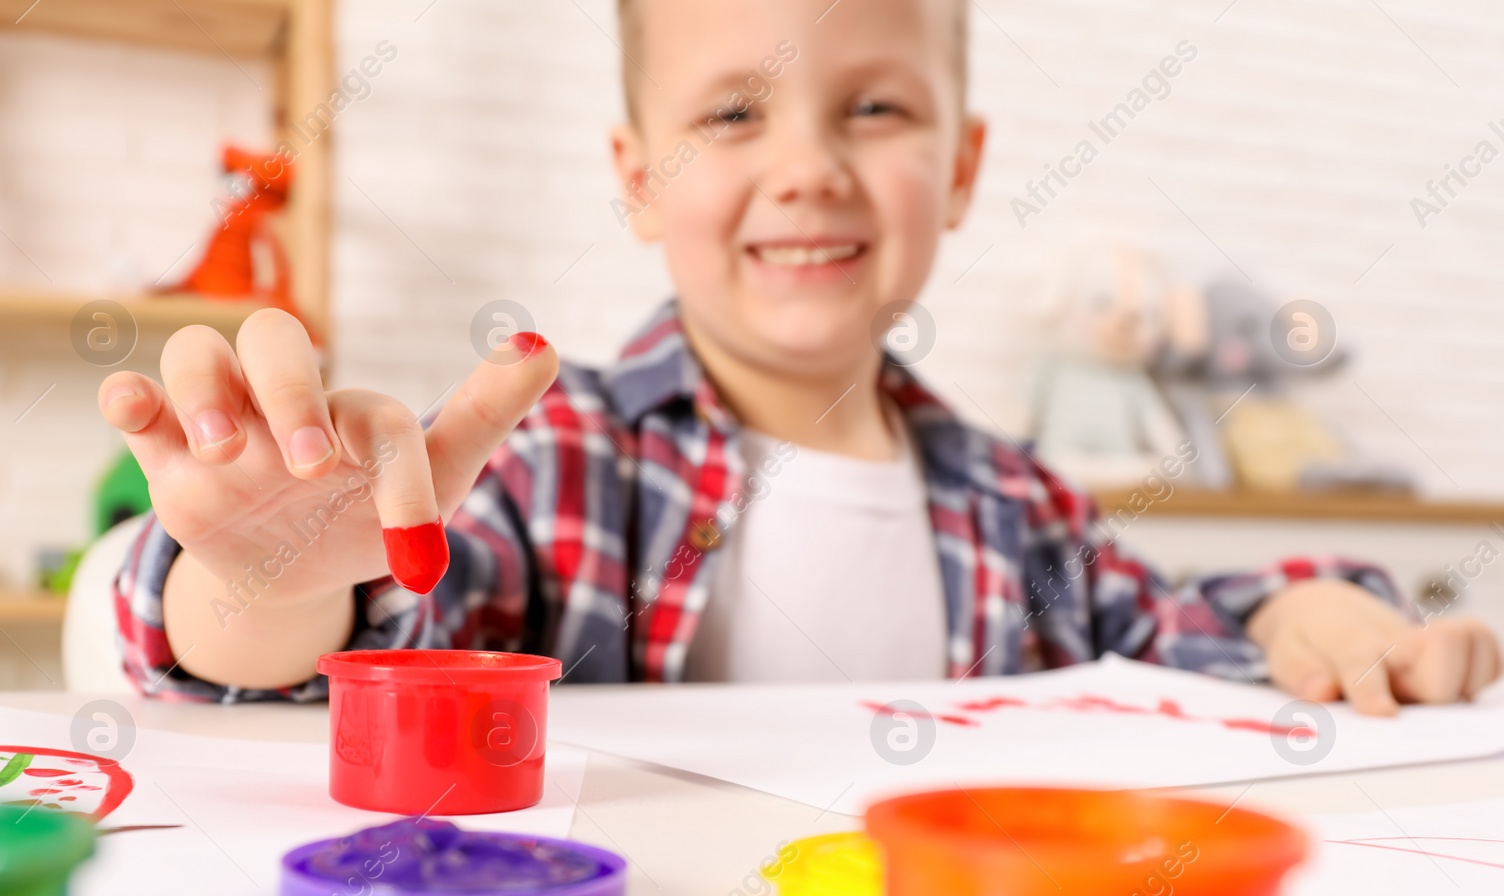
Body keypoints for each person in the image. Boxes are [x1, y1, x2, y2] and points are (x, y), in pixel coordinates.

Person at [101, 0, 1498, 713]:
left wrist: (1303, 618)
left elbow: (1166, 627)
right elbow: (339, 662)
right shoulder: (554, 458)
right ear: (639, 179)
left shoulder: (1023, 506)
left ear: (958, 167)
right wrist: (264, 584)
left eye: (875, 107)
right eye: (733, 117)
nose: (811, 169)